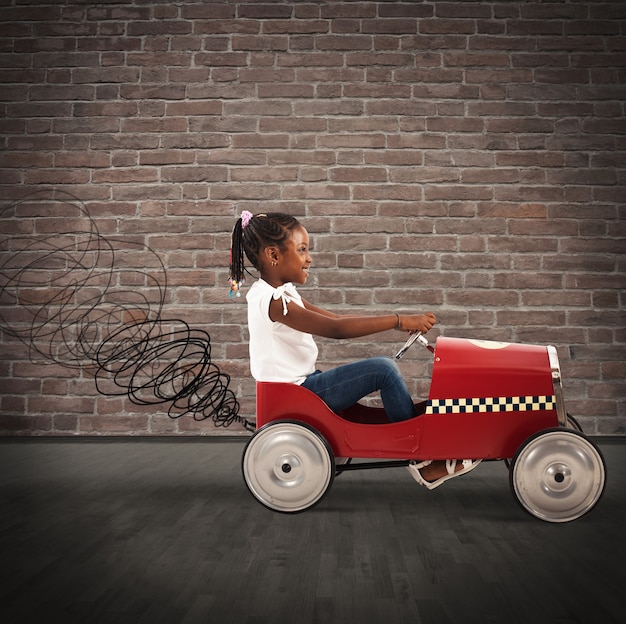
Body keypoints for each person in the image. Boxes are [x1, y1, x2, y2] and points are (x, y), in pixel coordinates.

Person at [228, 211, 480, 489]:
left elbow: (335, 319)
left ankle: (424, 440)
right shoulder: (275, 301)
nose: (309, 258)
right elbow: (336, 330)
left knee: (381, 369)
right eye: (302, 250)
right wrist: (398, 321)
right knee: (383, 370)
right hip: (297, 392)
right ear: (273, 255)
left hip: (299, 387)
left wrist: (398, 319)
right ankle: (423, 459)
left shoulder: (279, 293)